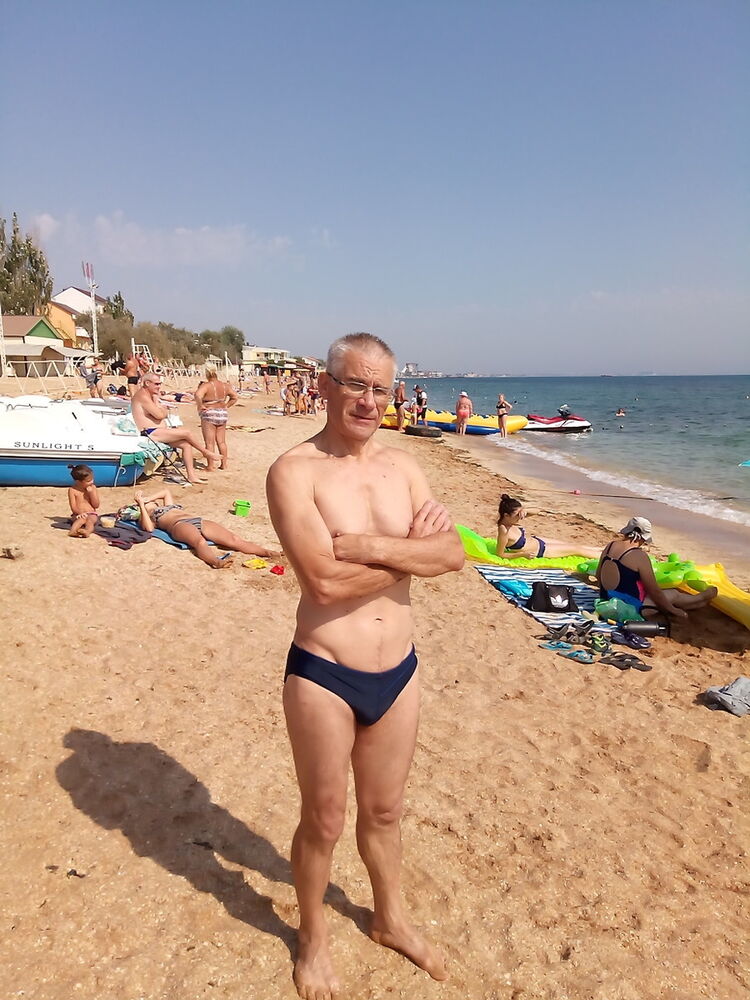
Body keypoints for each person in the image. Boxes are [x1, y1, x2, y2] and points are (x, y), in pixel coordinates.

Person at [266, 333, 464, 998]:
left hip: (399, 671)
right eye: (355, 384)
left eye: (380, 388)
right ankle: (313, 938)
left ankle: (389, 919)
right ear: (326, 386)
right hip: (324, 671)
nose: (369, 401)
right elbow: (322, 583)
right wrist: (409, 552)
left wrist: (370, 546)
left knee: (384, 813)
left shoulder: (404, 469)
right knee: (324, 819)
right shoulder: (294, 471)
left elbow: (453, 555)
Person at [596, 516, 717, 618]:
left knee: (677, 600)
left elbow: (598, 575)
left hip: (607, 600)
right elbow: (654, 591)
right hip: (631, 608)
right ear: (643, 537)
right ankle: (701, 598)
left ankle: (699, 602)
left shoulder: (610, 546)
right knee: (673, 594)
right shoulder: (639, 556)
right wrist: (673, 611)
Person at [134, 487, 280, 569]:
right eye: (146, 504)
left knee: (234, 540)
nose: (150, 502)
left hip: (197, 520)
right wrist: (141, 505)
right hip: (178, 525)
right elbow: (149, 529)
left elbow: (166, 491)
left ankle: (268, 552)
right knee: (200, 542)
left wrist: (147, 498)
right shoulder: (148, 516)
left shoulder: (167, 505)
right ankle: (216, 562)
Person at [131, 373, 219, 484]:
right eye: (157, 384)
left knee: (186, 445)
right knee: (187, 433)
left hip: (157, 431)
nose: (159, 387)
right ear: (147, 383)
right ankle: (205, 452)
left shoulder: (149, 396)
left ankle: (191, 476)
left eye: (160, 384)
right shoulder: (142, 396)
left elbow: (159, 413)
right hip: (150, 433)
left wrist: (157, 403)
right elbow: (160, 415)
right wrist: (162, 408)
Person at [496, 494, 601, 559]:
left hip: (538, 541)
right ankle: (603, 557)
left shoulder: (512, 520)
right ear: (506, 515)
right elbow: (500, 554)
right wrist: (522, 555)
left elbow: (538, 510)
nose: (521, 517)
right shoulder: (504, 531)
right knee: (576, 549)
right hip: (542, 551)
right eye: (517, 515)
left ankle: (601, 549)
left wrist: (526, 510)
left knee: (572, 545)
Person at [195, 365, 238, 471]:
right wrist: (226, 406)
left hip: (210, 413)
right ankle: (224, 464)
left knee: (209, 442)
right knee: (221, 441)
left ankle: (210, 466)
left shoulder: (206, 385)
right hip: (222, 413)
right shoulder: (225, 385)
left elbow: (198, 395)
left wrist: (200, 405)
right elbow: (234, 397)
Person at [67, 464, 100, 537]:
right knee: (81, 520)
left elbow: (96, 505)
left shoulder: (93, 488)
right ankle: (72, 531)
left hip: (91, 513)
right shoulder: (72, 490)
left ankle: (87, 531)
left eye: (92, 479)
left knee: (90, 521)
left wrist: (91, 493)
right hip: (77, 514)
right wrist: (80, 513)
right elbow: (73, 506)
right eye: (88, 481)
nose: (92, 482)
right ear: (78, 481)